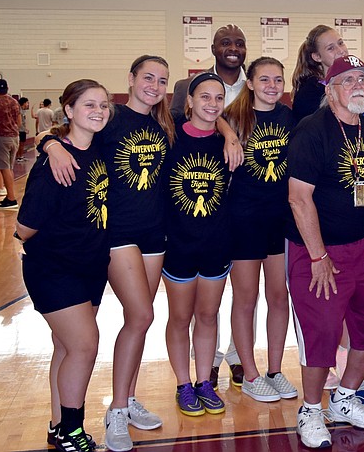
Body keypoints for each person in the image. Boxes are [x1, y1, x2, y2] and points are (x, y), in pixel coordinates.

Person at [44, 56, 176, 451]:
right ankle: (114, 410)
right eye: (147, 77)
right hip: (116, 233)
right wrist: (51, 145)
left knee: (138, 324)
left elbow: (214, 113)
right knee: (141, 315)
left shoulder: (163, 123)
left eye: (162, 80)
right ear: (131, 79)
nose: (154, 85)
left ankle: (129, 398)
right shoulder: (111, 116)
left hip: (154, 233)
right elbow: (64, 131)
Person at [287, 55, 364, 449]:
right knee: (322, 334)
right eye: (348, 80)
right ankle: (311, 409)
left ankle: (345, 398)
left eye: (363, 81)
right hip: (316, 251)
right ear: (331, 90)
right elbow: (299, 200)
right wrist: (318, 256)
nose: (359, 86)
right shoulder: (311, 132)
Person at [16, 79, 111, 452]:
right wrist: (51, 146)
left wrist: (49, 139)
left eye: (104, 105)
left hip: (91, 266)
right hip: (55, 269)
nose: (98, 112)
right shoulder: (54, 163)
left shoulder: (100, 147)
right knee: (85, 346)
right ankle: (73, 430)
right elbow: (24, 227)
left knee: (67, 347)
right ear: (69, 110)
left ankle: (58, 427)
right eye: (89, 105)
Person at [222, 57, 298, 403]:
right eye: (264, 79)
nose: (272, 85)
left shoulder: (289, 117)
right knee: (246, 298)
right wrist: (226, 132)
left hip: (280, 219)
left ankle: (275, 369)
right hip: (243, 220)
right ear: (249, 83)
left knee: (279, 296)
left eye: (278, 80)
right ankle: (249, 373)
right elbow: (192, 120)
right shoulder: (233, 118)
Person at [163, 72, 231, 418]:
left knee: (207, 315)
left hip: (216, 244)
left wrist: (229, 132)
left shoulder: (228, 143)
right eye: (204, 97)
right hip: (178, 244)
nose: (212, 104)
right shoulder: (169, 137)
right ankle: (183, 383)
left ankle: (204, 382)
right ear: (189, 101)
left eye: (218, 98)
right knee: (180, 317)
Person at [291, 24, 349, 122]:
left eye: (341, 43)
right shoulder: (309, 94)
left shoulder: (354, 83)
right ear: (317, 57)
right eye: (331, 48)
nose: (341, 51)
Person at [0, 78, 21, 208]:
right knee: (9, 168)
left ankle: (12, 198)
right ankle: (10, 195)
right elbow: (19, 121)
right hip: (14, 137)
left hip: (1, 138)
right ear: (7, 88)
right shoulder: (14, 102)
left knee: (4, 168)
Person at [17, 96, 30, 160]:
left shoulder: (24, 111)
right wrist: (24, 129)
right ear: (24, 103)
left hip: (22, 129)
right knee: (20, 144)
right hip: (20, 130)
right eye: (27, 103)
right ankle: (19, 156)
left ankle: (20, 155)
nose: (28, 104)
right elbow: (20, 122)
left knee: (22, 143)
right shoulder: (20, 111)